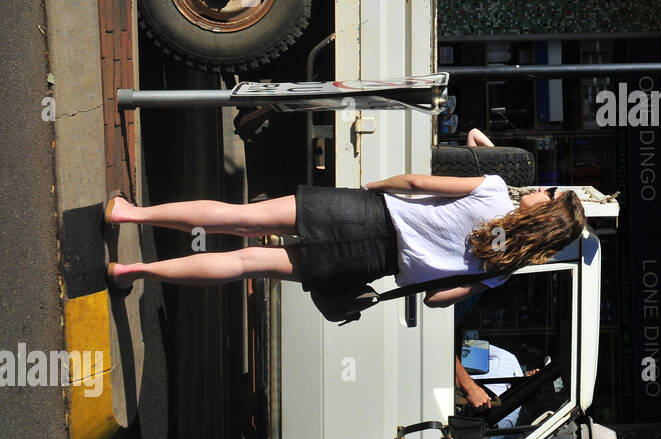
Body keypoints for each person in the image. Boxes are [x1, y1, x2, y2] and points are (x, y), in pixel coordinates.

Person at [105, 129, 585, 301]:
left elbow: (418, 183)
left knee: (239, 218)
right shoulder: (501, 271)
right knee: (249, 265)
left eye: (549, 194)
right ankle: (134, 270)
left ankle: (130, 214)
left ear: (546, 214)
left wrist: (372, 186)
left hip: (363, 212)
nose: (541, 188)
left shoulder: (494, 191)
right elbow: (436, 301)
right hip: (369, 264)